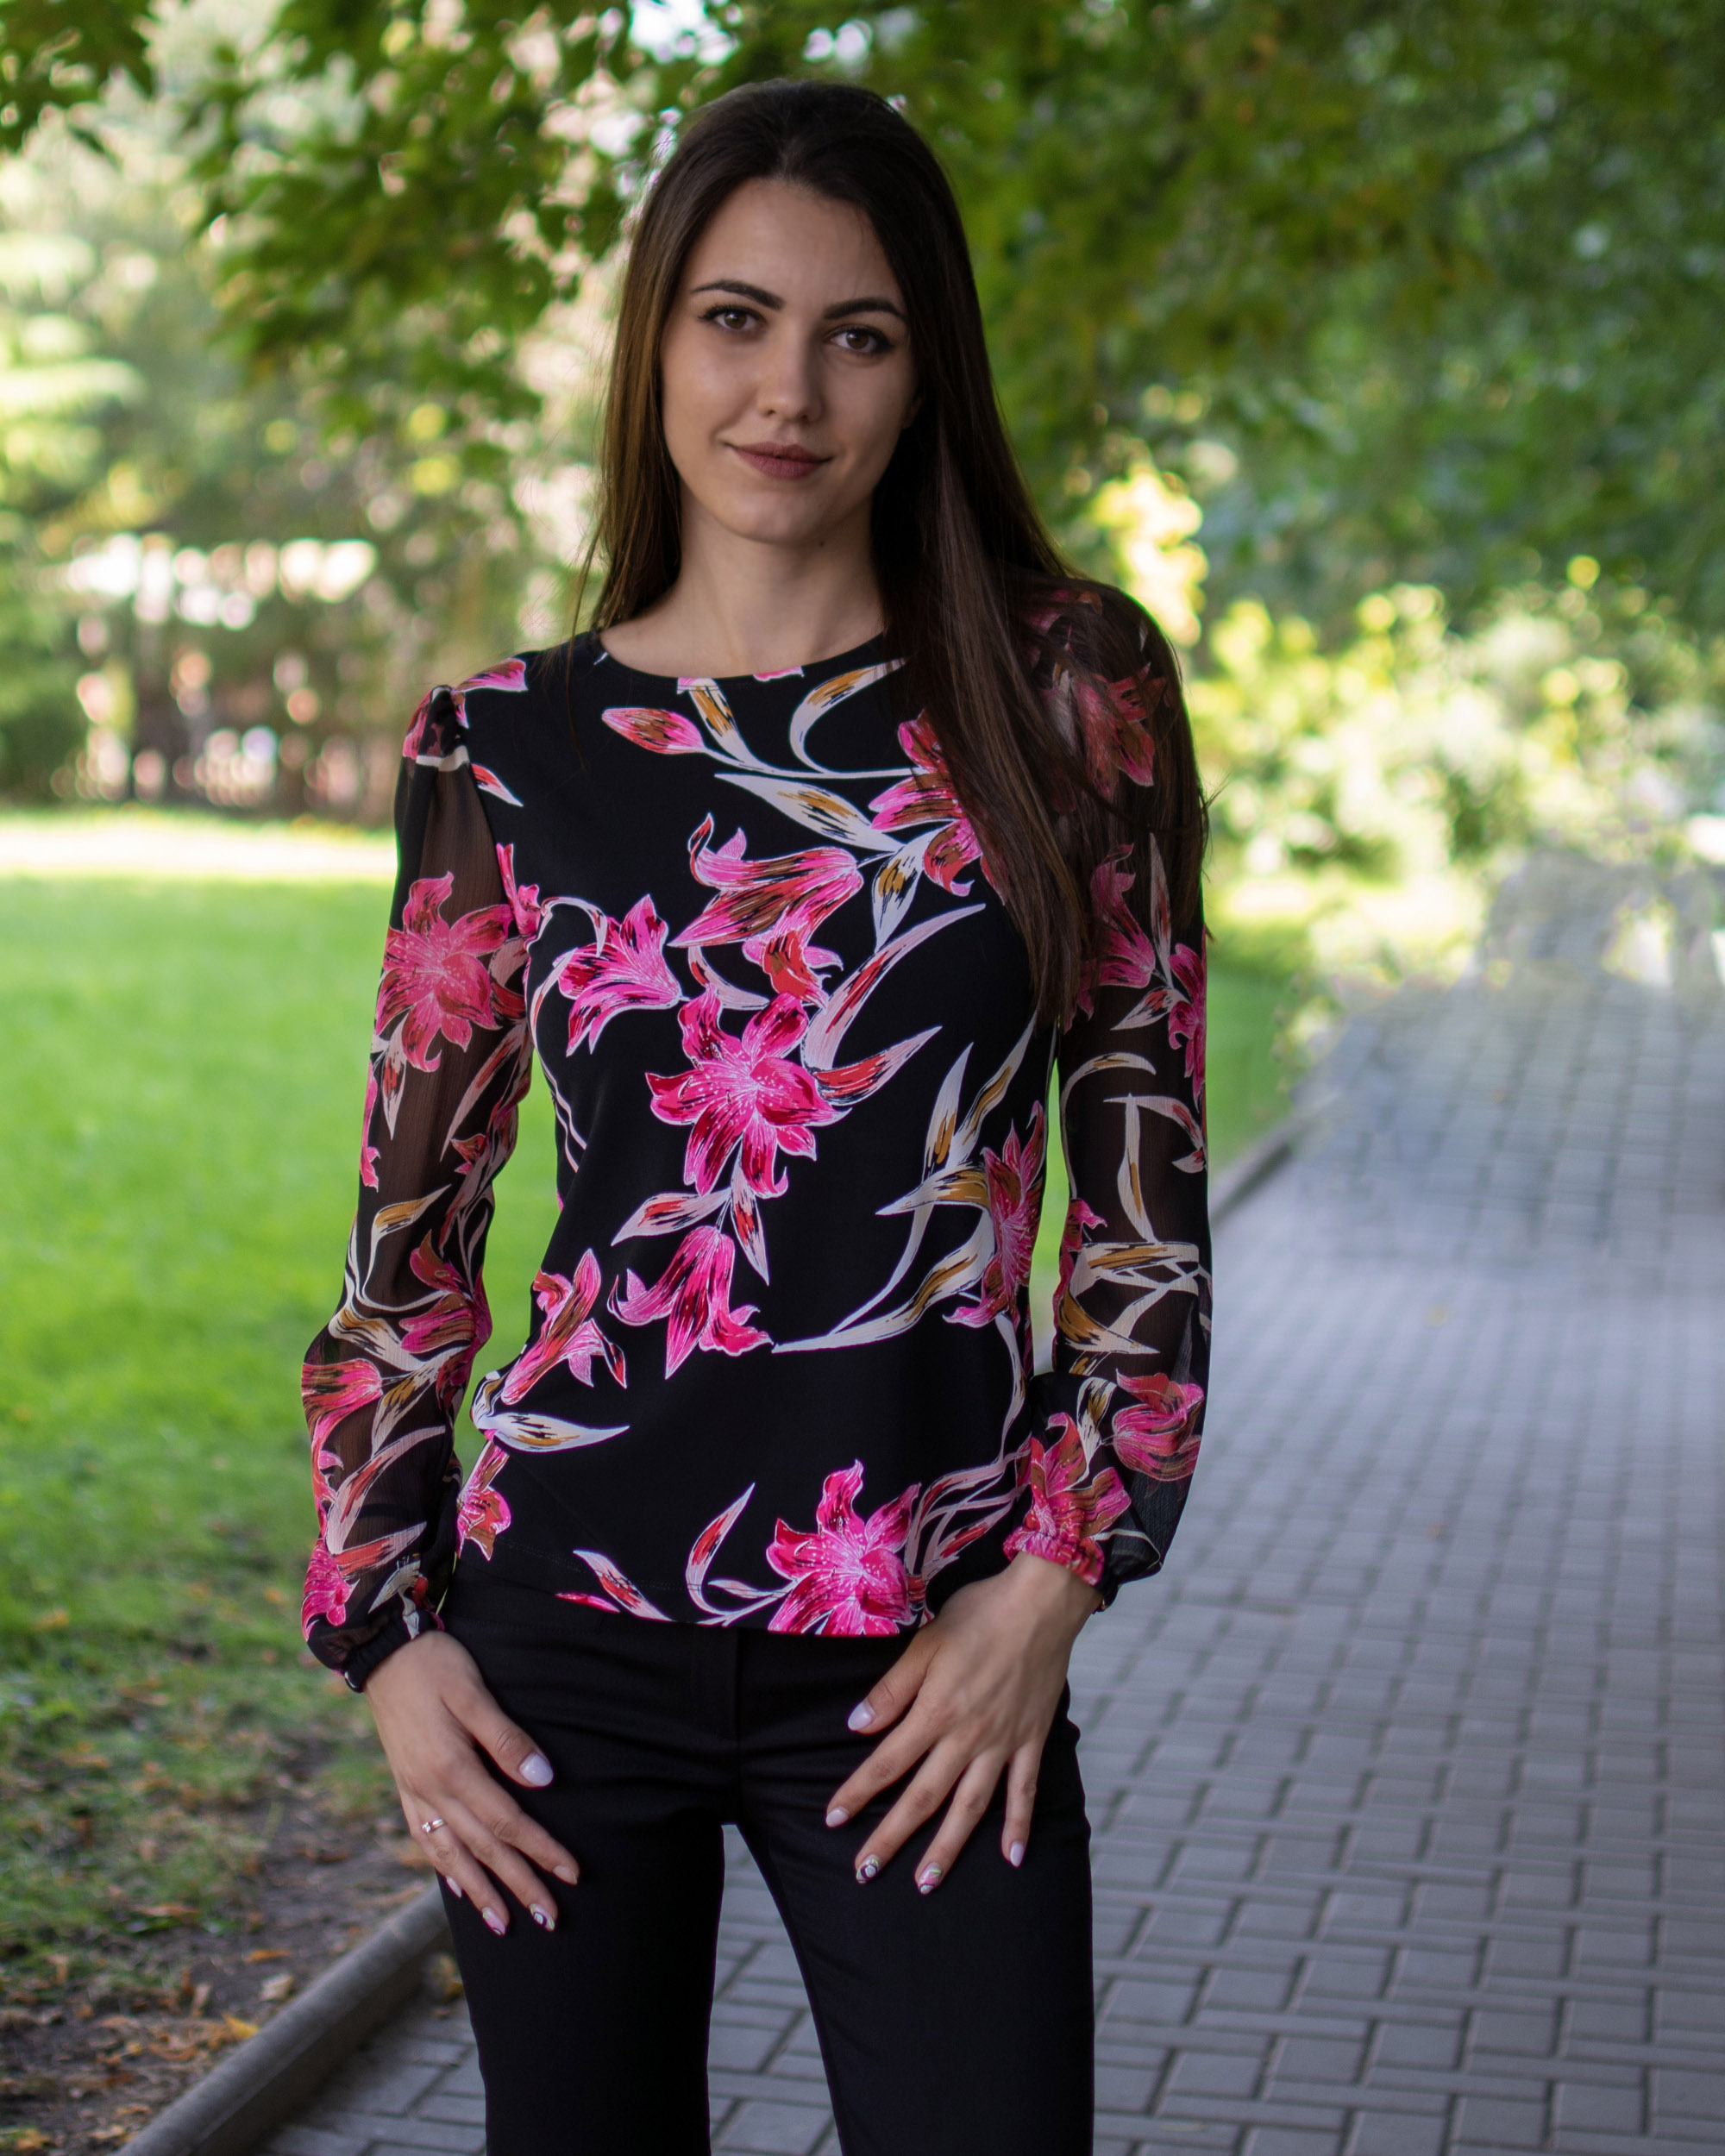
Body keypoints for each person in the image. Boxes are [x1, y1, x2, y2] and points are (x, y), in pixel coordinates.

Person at [299, 77, 1210, 2156]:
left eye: (855, 333)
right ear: (655, 346)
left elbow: (1142, 1172)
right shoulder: (506, 744)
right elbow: (408, 1237)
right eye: (734, 319)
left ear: (925, 367)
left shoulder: (1070, 691)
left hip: (926, 1643)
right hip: (555, 1642)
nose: (786, 390)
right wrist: (385, 1636)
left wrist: (1055, 1577)